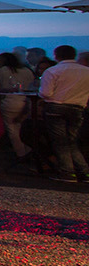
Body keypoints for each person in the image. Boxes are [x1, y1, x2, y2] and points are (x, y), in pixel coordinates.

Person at [38, 44, 89, 184]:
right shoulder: (86, 71)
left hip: (56, 107)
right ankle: (84, 172)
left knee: (60, 142)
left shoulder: (53, 71)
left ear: (56, 55)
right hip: (78, 108)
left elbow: (45, 93)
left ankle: (67, 172)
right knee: (72, 141)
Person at [0, 52, 37, 170]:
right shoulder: (27, 71)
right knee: (22, 127)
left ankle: (22, 153)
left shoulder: (1, 71)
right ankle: (29, 150)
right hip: (26, 101)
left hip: (9, 101)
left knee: (12, 128)